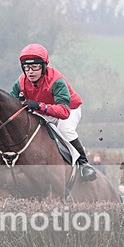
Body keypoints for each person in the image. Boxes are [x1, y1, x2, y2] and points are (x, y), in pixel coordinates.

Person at [10, 43, 97, 182]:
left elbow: (64, 112)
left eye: (35, 67)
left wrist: (38, 105)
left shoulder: (56, 81)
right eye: (26, 67)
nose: (30, 72)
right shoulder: (21, 81)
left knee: (65, 129)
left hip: (69, 109)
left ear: (44, 66)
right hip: (43, 110)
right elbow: (11, 103)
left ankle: (83, 163)